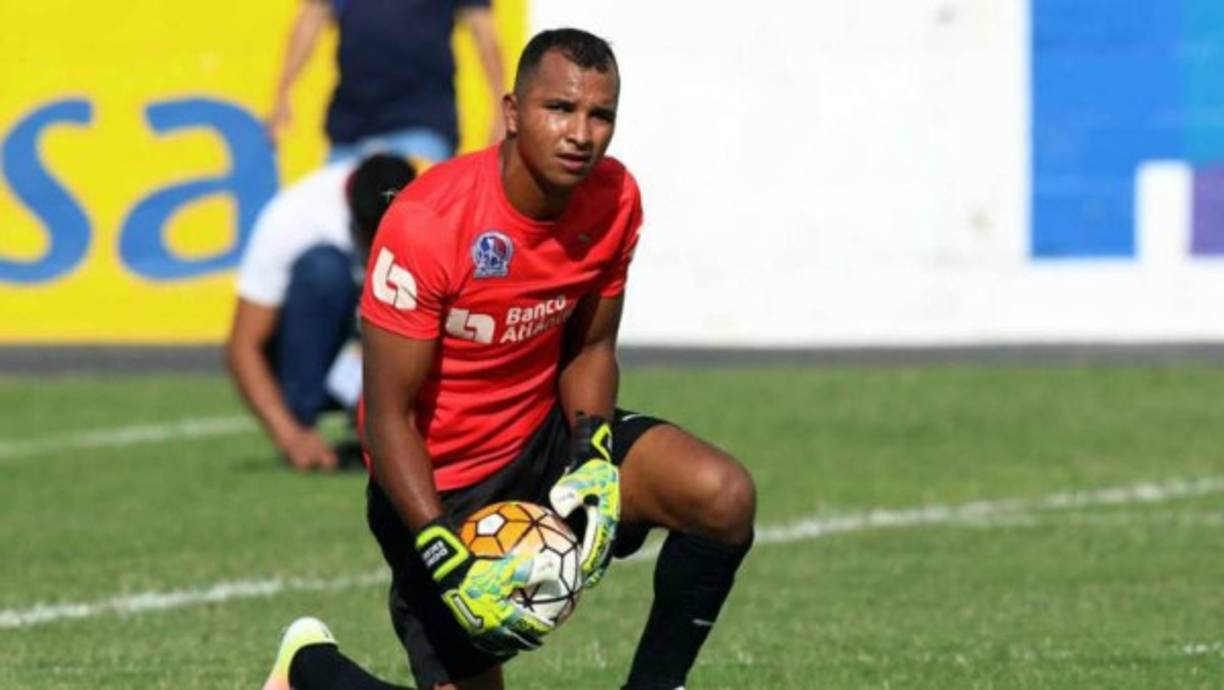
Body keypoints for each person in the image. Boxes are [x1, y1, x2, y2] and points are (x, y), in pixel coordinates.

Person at [262, 29, 756, 690]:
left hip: (544, 442)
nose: (581, 132)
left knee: (721, 495)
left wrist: (591, 450)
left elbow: (591, 348)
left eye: (600, 114)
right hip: (438, 486)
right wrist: (441, 547)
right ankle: (309, 672)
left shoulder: (614, 200)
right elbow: (386, 418)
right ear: (513, 112)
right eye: (560, 108)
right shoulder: (428, 223)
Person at [227, 154, 415, 471]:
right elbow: (243, 345)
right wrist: (290, 436)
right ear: (355, 224)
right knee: (325, 270)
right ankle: (306, 420)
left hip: (385, 346)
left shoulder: (439, 210)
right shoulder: (294, 219)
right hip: (318, 353)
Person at [266, 0, 506, 164]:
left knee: (412, 223)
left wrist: (498, 110)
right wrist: (282, 93)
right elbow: (312, 17)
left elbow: (483, 32)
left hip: (421, 120)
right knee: (341, 227)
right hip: (350, 124)